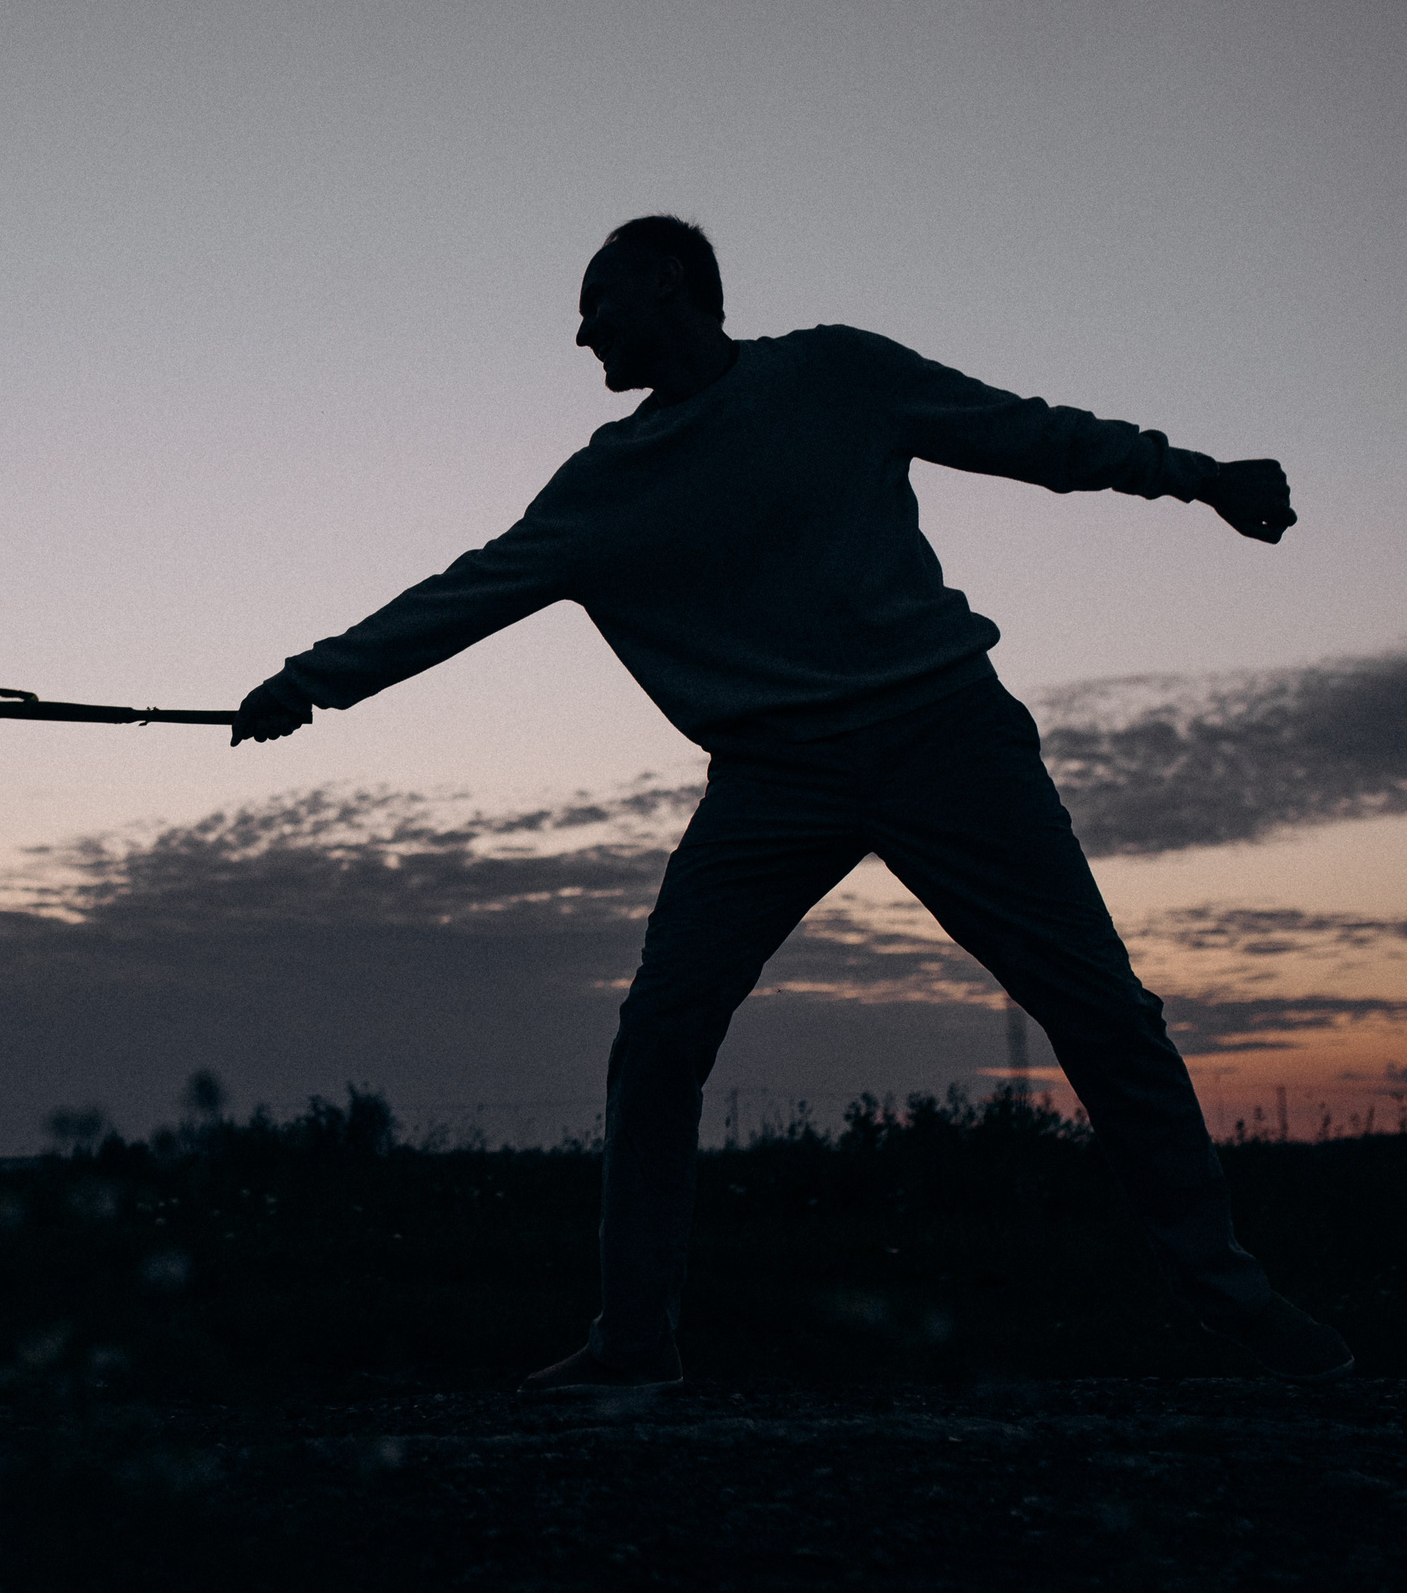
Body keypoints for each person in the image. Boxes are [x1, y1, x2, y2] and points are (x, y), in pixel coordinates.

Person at [230, 216, 1350, 1396]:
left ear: (669, 280)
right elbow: (468, 592)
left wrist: (1198, 477)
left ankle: (1238, 1303)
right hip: (774, 781)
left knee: (1103, 1013)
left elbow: (1027, 435)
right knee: (659, 1037)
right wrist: (314, 681)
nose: (580, 331)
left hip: (945, 735)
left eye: (596, 299)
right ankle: (632, 1344)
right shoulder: (605, 482)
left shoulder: (834, 372)